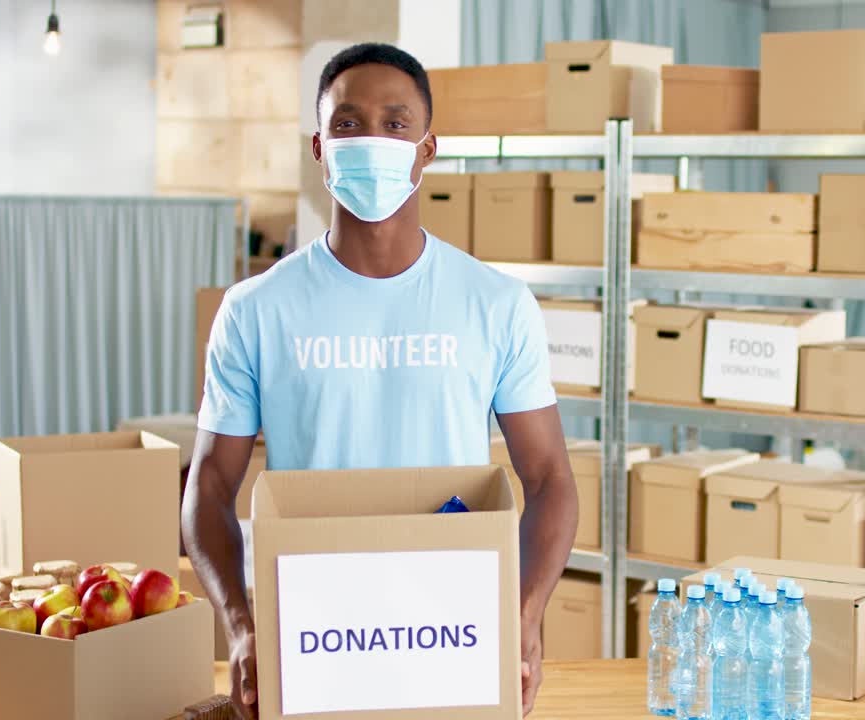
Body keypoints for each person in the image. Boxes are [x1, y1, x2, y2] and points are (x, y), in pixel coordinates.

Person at [182, 42, 579, 719]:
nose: (371, 140)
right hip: (309, 627)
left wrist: (524, 614)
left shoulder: (495, 303)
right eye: (347, 123)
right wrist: (243, 626)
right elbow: (210, 487)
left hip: (452, 626)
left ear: (428, 149)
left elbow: (549, 480)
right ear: (319, 147)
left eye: (395, 124)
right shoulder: (256, 309)